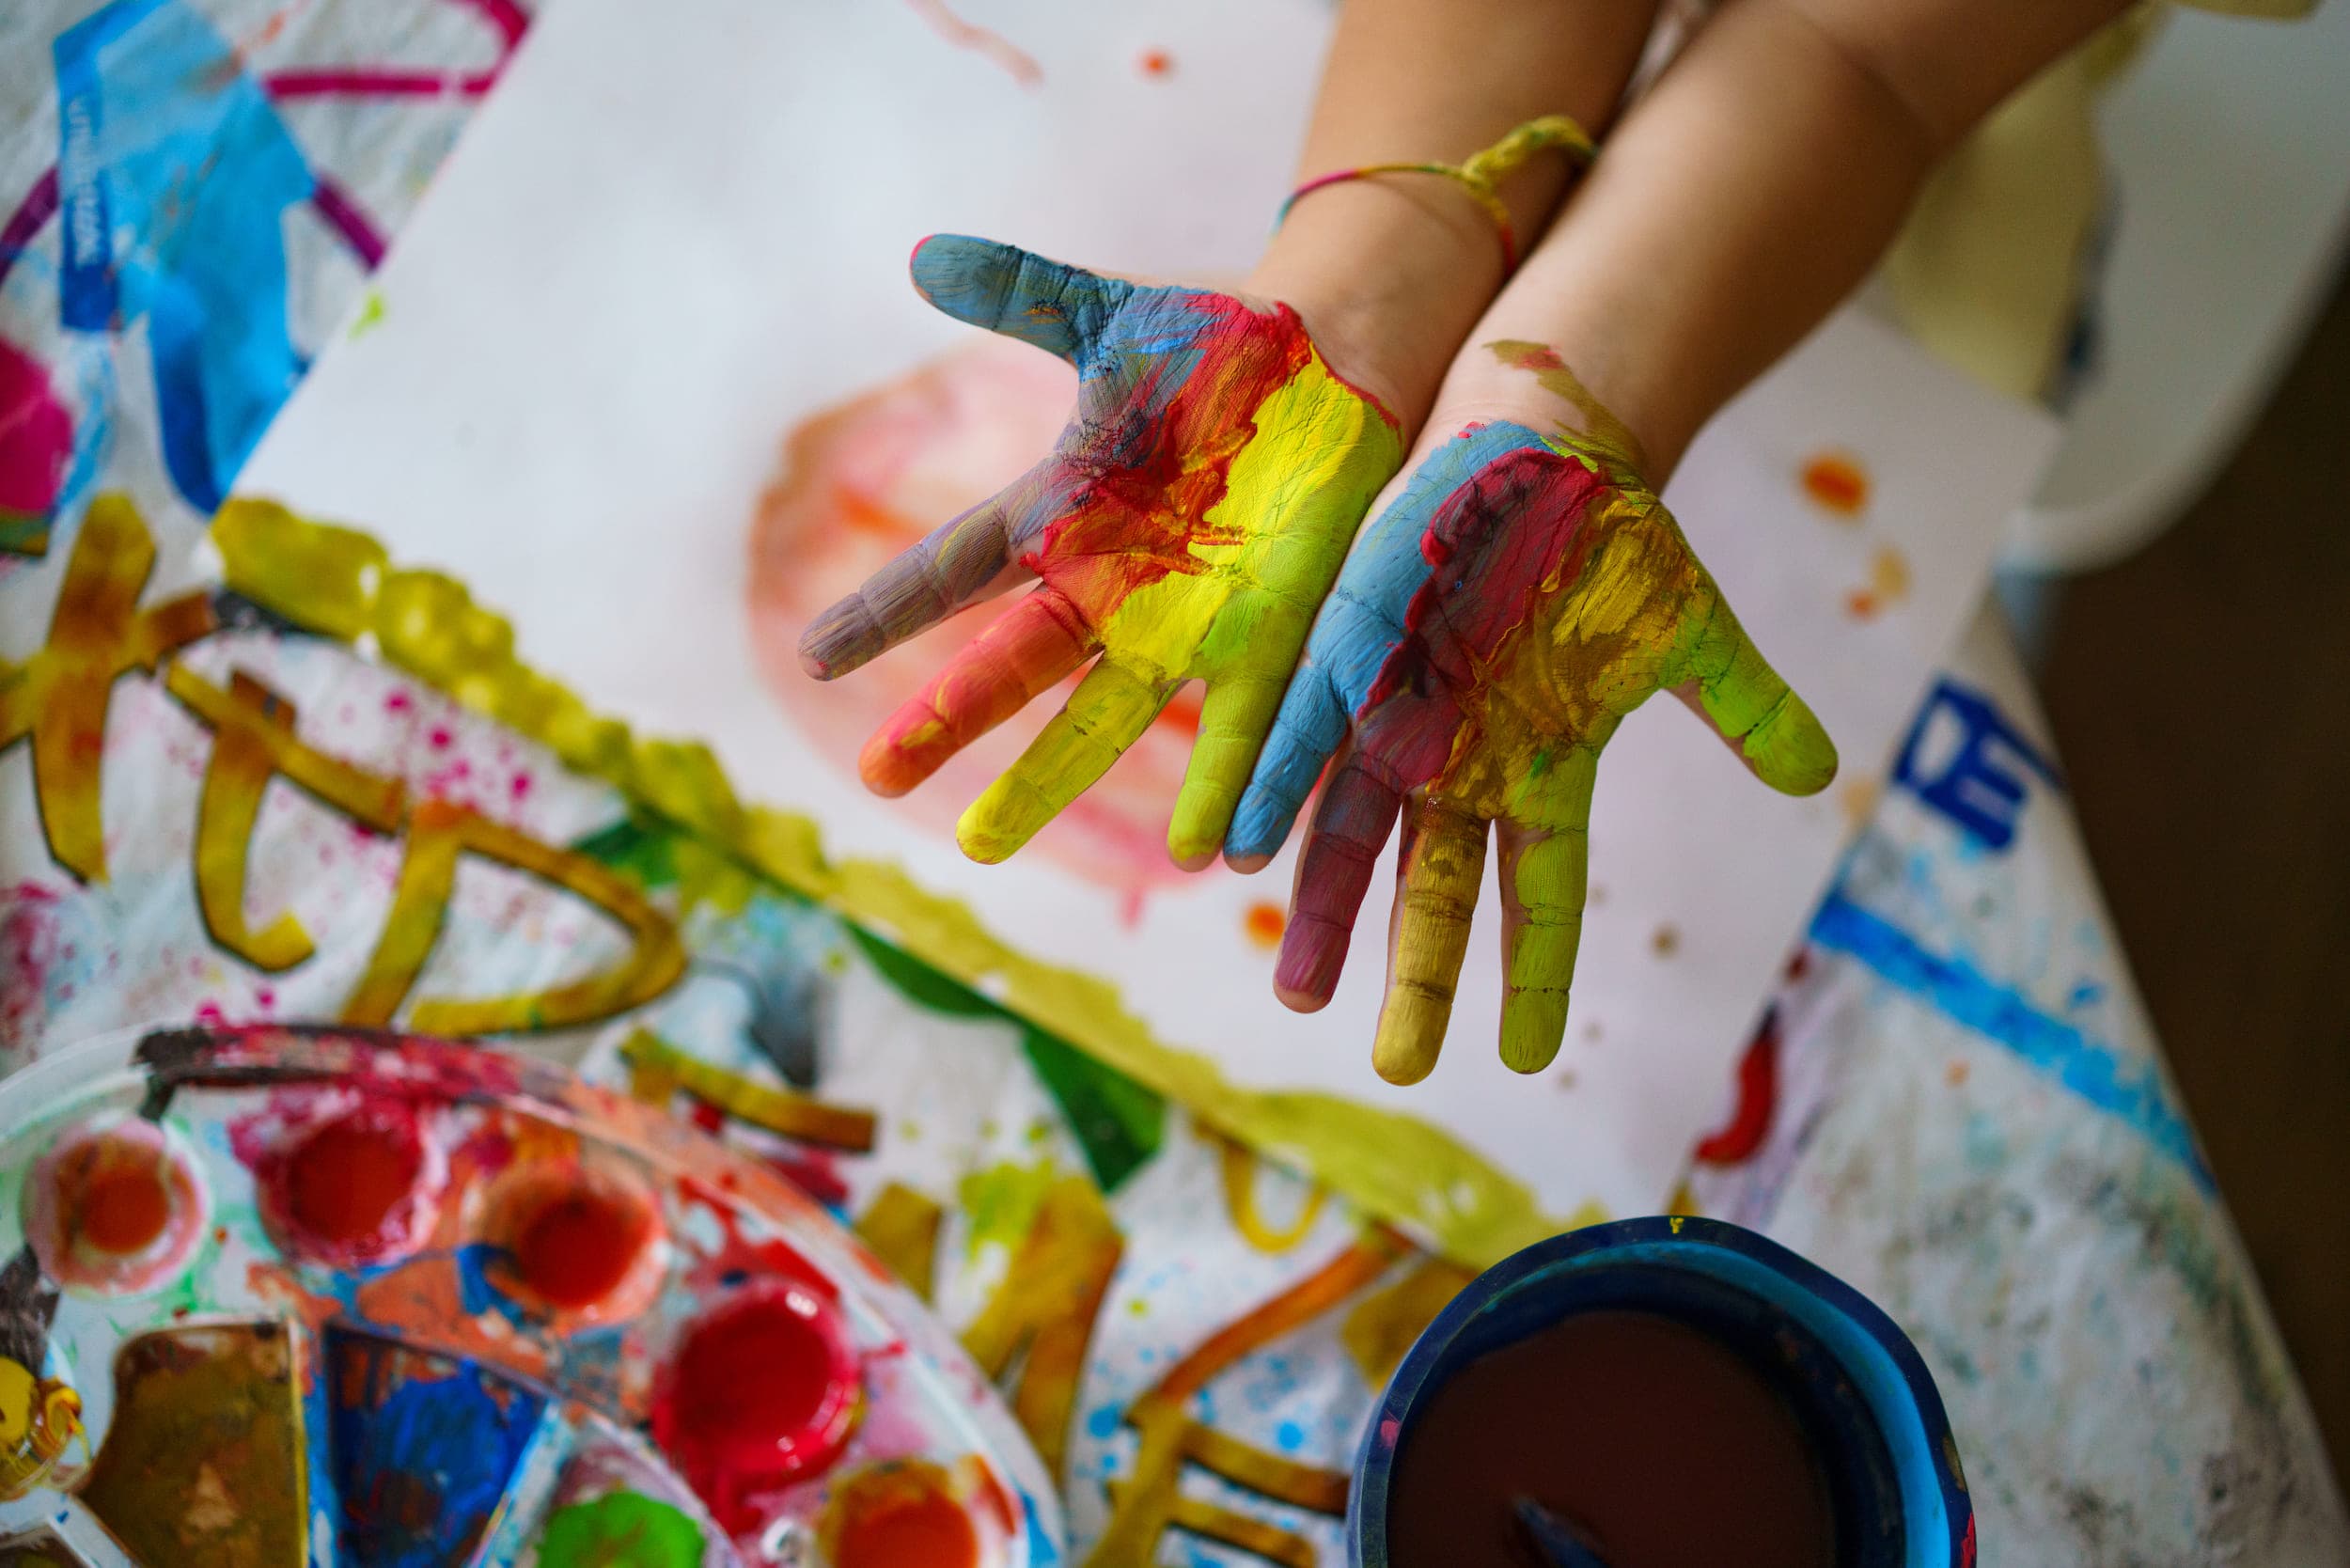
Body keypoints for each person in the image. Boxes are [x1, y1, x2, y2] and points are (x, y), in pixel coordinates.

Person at [795, 0, 2255, 1083]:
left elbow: (1853, 52)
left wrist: (1572, 387)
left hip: (1941, 109)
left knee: (1981, 410)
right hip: (1455, 67)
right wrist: (1370, 294)